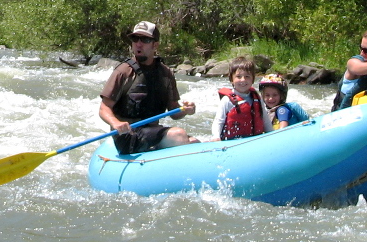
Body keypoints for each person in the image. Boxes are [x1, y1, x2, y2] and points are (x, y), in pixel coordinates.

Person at [99, 21, 197, 155]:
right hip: (128, 136)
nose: (138, 44)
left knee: (194, 142)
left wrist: (186, 110)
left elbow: (174, 111)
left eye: (145, 40)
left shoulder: (165, 73)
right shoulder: (123, 72)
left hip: (151, 131)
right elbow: (104, 108)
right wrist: (115, 123)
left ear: (155, 45)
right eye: (135, 39)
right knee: (178, 135)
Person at [211, 55, 271, 140]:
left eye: (247, 76)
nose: (243, 80)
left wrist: (271, 134)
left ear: (253, 79)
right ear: (231, 79)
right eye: (238, 77)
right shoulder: (227, 101)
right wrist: (216, 137)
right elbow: (218, 121)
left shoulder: (257, 99)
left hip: (255, 140)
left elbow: (265, 120)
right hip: (233, 142)